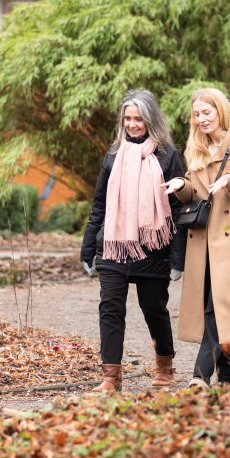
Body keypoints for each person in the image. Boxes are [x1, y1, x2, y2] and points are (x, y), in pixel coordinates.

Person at [81, 89, 186, 392]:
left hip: (153, 248)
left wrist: (177, 259)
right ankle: (111, 378)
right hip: (114, 246)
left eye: (138, 118)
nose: (132, 124)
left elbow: (178, 210)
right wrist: (88, 249)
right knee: (110, 310)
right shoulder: (113, 155)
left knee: (154, 309)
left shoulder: (167, 155)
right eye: (127, 118)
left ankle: (164, 367)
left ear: (150, 119)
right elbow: (99, 204)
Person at [163, 88, 230, 388]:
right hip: (202, 244)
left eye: (206, 112)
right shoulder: (196, 148)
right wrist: (180, 185)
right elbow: (196, 196)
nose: (201, 119)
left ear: (220, 111)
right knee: (219, 308)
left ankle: (199, 374)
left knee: (215, 307)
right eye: (196, 114)